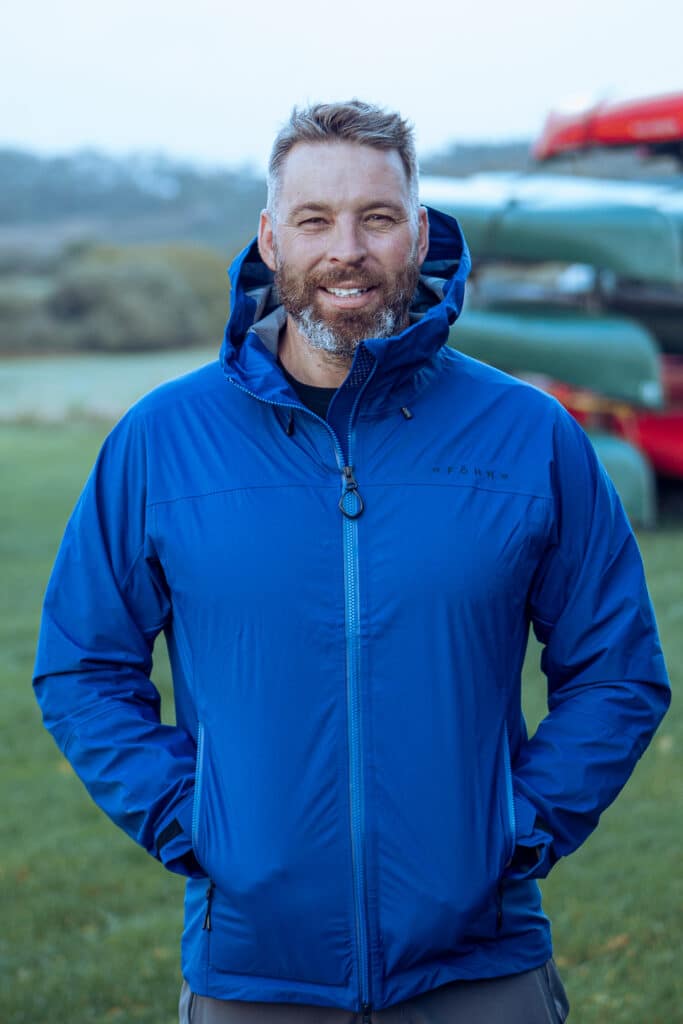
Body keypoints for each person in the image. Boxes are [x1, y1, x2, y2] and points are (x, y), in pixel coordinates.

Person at [34, 101, 670, 1024]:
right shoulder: (161, 441)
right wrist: (195, 821)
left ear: (417, 232)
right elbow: (82, 666)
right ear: (268, 237)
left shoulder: (528, 435)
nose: (348, 249)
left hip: (481, 968)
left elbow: (617, 671)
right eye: (314, 219)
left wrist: (513, 829)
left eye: (376, 217)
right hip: (252, 973)